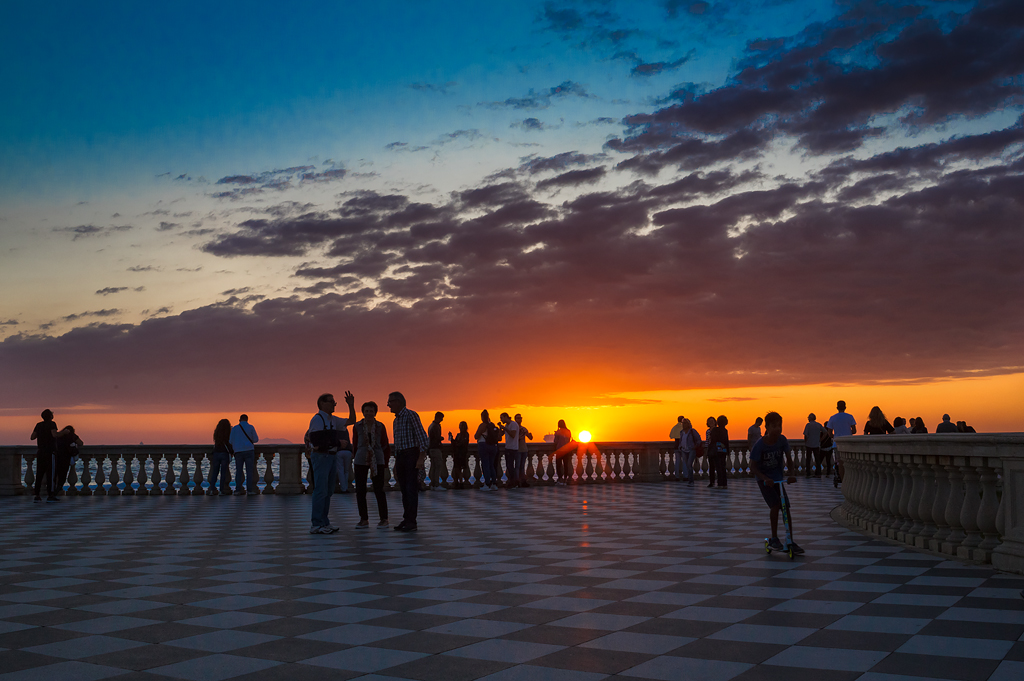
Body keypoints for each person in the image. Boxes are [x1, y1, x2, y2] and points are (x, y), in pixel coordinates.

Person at [751, 411, 803, 555]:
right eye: (774, 426)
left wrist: (792, 474)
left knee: (785, 506)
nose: (777, 429)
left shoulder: (782, 440)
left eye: (780, 426)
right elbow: (753, 467)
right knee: (775, 505)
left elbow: (789, 459)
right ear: (767, 427)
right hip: (764, 480)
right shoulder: (760, 445)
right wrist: (765, 478)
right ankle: (774, 538)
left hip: (778, 478)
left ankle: (790, 539)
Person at [306, 391, 356, 534]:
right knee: (321, 491)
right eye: (331, 401)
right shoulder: (317, 420)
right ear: (322, 403)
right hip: (322, 457)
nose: (334, 404)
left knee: (328, 491)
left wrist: (351, 405)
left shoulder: (333, 419)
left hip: (331, 456)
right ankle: (316, 524)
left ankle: (324, 522)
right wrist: (338, 442)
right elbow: (316, 440)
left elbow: (351, 420)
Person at [388, 391, 429, 532]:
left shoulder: (411, 415)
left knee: (411, 489)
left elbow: (423, 438)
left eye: (390, 401)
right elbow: (397, 444)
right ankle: (407, 518)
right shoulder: (396, 420)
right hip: (401, 456)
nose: (388, 404)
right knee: (404, 490)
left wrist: (420, 458)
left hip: (411, 455)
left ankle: (412, 521)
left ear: (398, 402)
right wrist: (395, 463)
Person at [352, 401, 390, 529]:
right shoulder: (357, 426)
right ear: (363, 412)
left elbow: (385, 443)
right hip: (361, 458)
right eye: (366, 411)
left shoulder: (380, 426)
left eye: (371, 411)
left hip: (377, 458)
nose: (369, 413)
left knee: (379, 489)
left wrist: (385, 461)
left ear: (375, 413)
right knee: (360, 490)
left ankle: (384, 518)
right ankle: (363, 519)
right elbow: (355, 443)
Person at [30, 409, 59, 502]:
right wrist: (63, 433)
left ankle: (37, 494)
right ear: (51, 416)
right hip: (50, 452)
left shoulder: (39, 425)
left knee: (39, 473)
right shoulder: (52, 424)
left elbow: (32, 437)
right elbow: (54, 434)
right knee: (51, 474)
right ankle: (50, 494)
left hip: (40, 452)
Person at [826, 401, 856, 487]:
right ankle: (850, 480)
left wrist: (835, 437)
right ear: (845, 407)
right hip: (849, 443)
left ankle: (843, 482)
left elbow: (829, 432)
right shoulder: (850, 417)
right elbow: (854, 431)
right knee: (849, 463)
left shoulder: (833, 418)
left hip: (837, 443)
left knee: (840, 464)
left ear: (837, 407)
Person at [229, 414, 260, 495]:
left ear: (239, 420)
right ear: (247, 420)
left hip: (238, 451)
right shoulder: (251, 427)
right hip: (249, 450)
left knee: (239, 471)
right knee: (249, 471)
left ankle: (238, 489)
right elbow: (256, 439)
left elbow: (230, 441)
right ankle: (249, 490)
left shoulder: (235, 428)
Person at [474, 410, 501, 491]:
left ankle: (487, 483)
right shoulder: (492, 425)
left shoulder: (482, 425)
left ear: (482, 417)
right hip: (493, 446)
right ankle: (493, 483)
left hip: (483, 445)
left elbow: (476, 436)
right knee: (492, 465)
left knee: (485, 465)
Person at [53, 425, 83, 495]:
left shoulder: (59, 436)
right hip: (66, 457)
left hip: (57, 456)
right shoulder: (72, 436)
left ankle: (54, 488)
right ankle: (58, 488)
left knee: (56, 473)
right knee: (63, 474)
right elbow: (81, 443)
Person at [208, 419, 233, 496]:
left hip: (216, 453)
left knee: (215, 472)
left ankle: (212, 489)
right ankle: (221, 490)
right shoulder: (228, 433)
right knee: (223, 473)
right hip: (224, 453)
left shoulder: (217, 433)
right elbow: (229, 443)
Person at [676, 418, 701, 486]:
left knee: (689, 465)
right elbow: (681, 441)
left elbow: (698, 439)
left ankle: (691, 481)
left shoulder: (692, 431)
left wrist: (695, 446)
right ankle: (690, 480)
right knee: (687, 465)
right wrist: (680, 447)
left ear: (688, 424)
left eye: (685, 423)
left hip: (691, 450)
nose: (683, 424)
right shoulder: (682, 432)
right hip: (684, 450)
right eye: (683, 423)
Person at [427, 412, 448, 489]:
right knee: (437, 466)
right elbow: (436, 438)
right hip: (435, 448)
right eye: (441, 418)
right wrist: (441, 438)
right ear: (438, 417)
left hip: (431, 448)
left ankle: (432, 484)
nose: (442, 420)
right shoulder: (435, 426)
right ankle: (436, 484)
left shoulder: (431, 426)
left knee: (433, 466)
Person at [708, 415, 730, 489]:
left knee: (718, 467)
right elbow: (726, 442)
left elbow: (712, 441)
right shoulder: (725, 430)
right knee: (723, 467)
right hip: (723, 451)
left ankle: (720, 483)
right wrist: (728, 451)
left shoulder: (715, 430)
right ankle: (724, 483)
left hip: (717, 450)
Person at [500, 412, 520, 488]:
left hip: (513, 448)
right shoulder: (507, 425)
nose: (501, 419)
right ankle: (513, 482)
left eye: (502, 418)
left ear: (506, 417)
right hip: (508, 448)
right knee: (509, 466)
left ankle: (514, 482)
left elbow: (513, 435)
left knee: (511, 466)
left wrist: (505, 428)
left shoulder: (513, 424)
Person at [449, 422, 471, 488]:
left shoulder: (466, 435)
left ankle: (460, 482)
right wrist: (451, 438)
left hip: (462, 453)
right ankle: (456, 482)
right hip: (457, 453)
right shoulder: (458, 435)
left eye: (462, 426)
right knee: (456, 468)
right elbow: (455, 443)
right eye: (460, 426)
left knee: (460, 468)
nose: (461, 427)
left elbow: (461, 444)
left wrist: (456, 443)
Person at [553, 420, 573, 486]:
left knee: (558, 465)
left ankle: (560, 479)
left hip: (559, 450)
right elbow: (569, 440)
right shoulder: (568, 431)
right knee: (566, 465)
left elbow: (555, 441)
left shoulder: (558, 432)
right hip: (566, 450)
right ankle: (565, 480)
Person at [515, 414, 533, 487]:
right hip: (517, 449)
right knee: (517, 466)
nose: (520, 419)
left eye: (521, 418)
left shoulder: (524, 429)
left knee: (522, 466)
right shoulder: (514, 429)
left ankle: (522, 481)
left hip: (524, 449)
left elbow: (530, 438)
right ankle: (517, 481)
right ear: (515, 419)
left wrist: (529, 434)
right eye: (518, 418)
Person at [705, 417, 718, 488]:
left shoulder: (717, 430)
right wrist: (707, 450)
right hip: (711, 449)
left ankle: (719, 480)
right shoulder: (708, 431)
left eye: (712, 421)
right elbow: (707, 441)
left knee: (718, 466)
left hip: (717, 449)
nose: (711, 422)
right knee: (711, 466)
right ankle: (711, 481)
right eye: (709, 421)